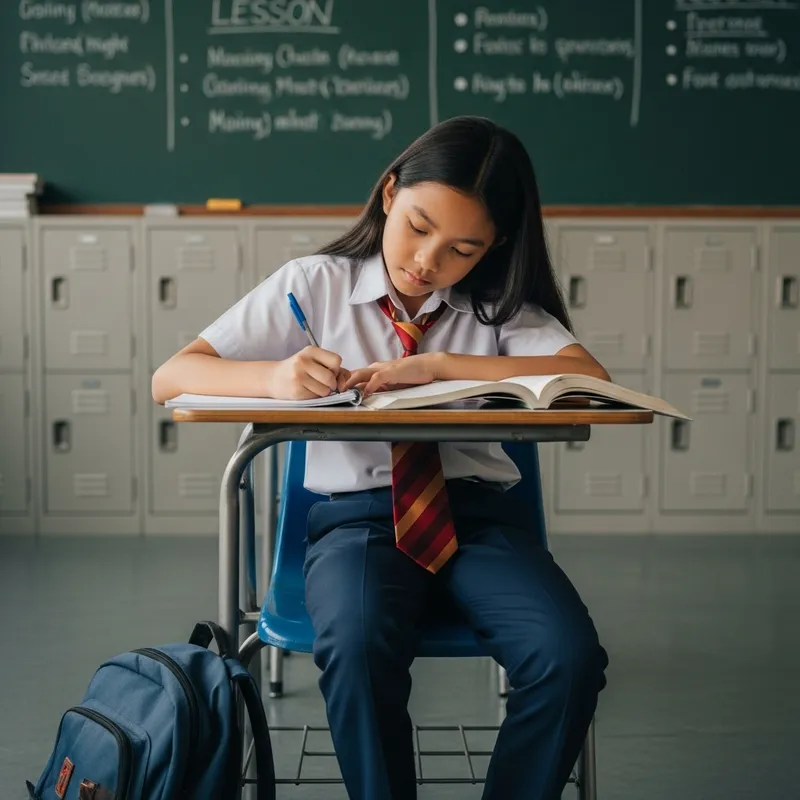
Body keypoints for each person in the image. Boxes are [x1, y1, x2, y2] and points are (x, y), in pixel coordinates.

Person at [152, 115, 611, 800]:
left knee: (568, 657)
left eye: (463, 248)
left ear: (496, 245)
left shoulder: (496, 308)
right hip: (355, 522)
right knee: (358, 649)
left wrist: (441, 368)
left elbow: (591, 380)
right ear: (391, 192)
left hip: (479, 520)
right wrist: (274, 379)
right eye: (420, 226)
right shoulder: (315, 285)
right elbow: (173, 376)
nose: (429, 261)